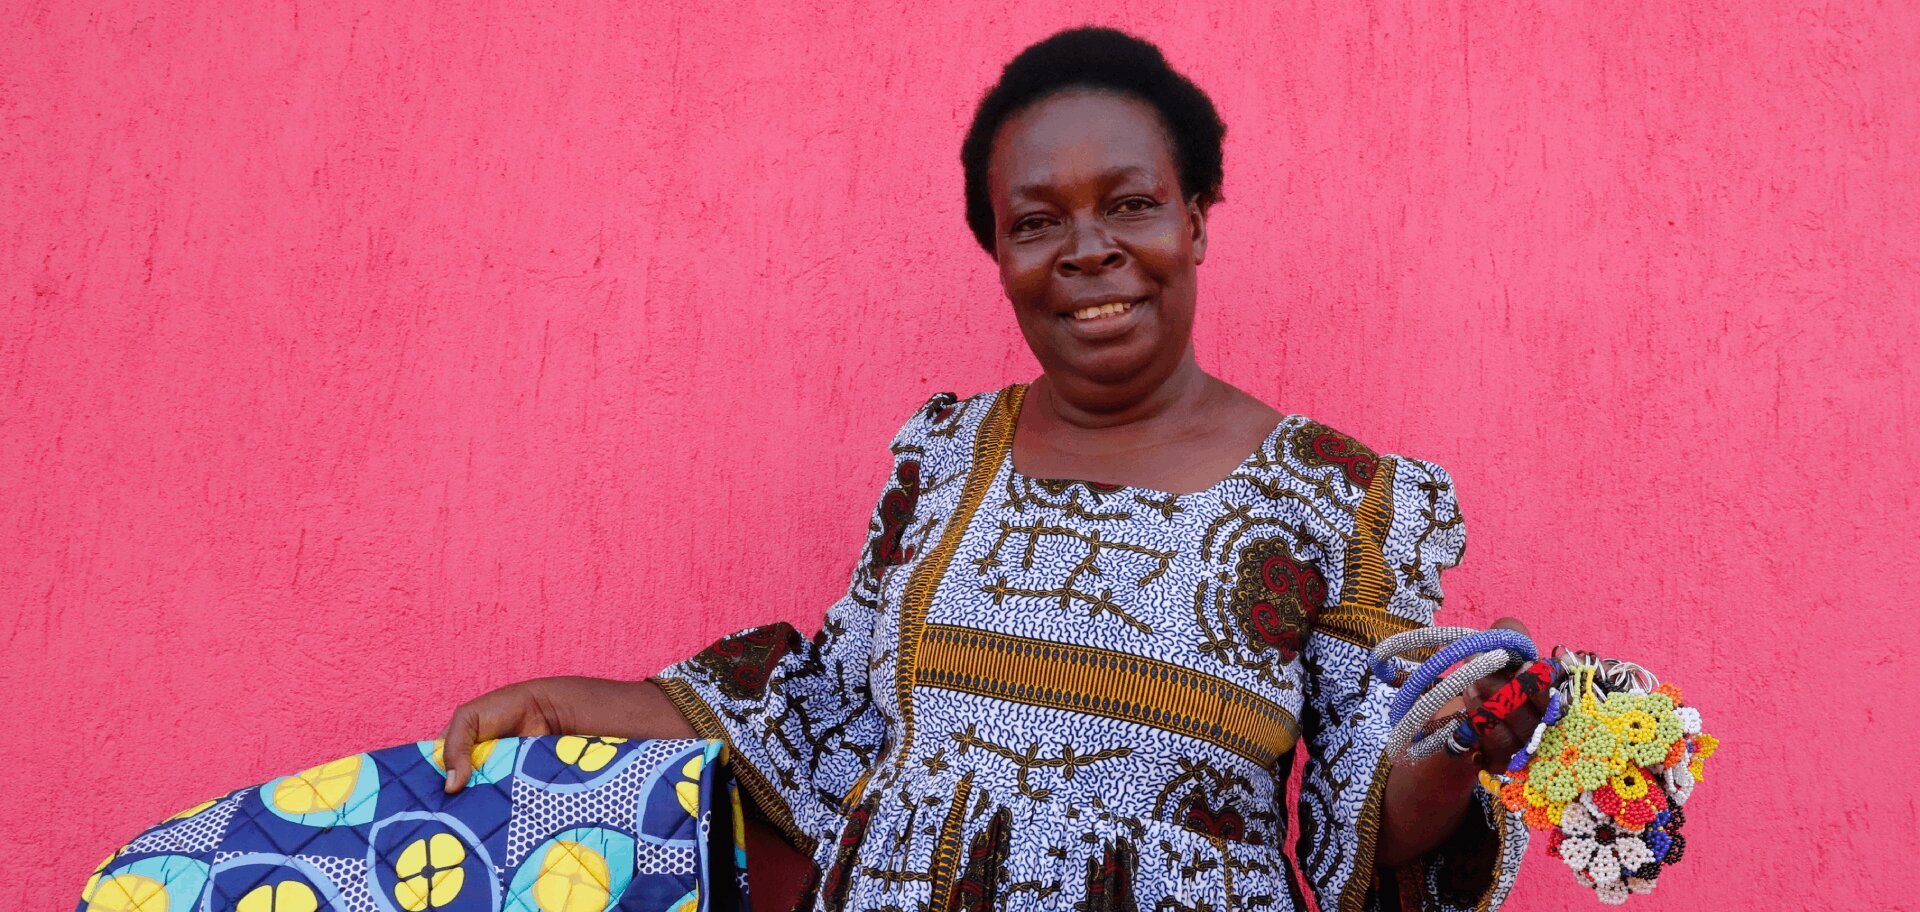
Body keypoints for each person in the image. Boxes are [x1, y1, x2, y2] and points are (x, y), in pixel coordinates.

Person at [438, 27, 1544, 912]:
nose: (1087, 250)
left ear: (1195, 221)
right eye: (1035, 221)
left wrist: (1457, 744)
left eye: (1130, 203)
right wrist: (572, 700)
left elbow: (1367, 813)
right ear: (1001, 258)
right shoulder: (946, 456)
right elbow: (826, 716)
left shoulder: (1340, 496)